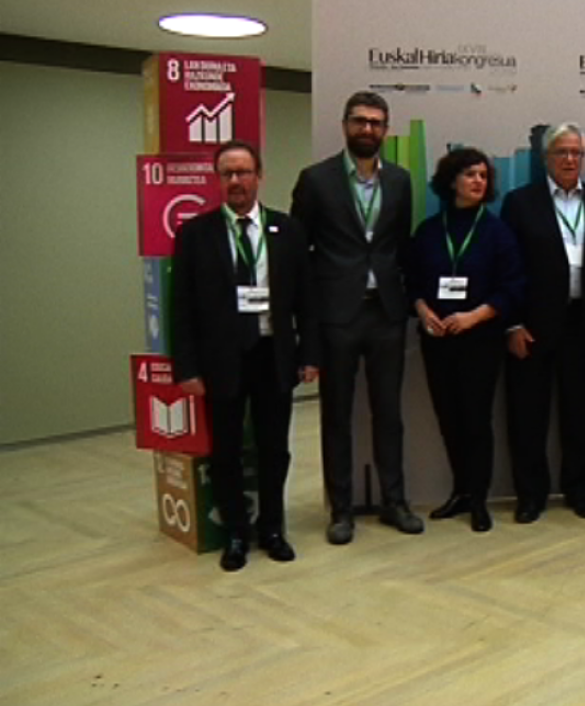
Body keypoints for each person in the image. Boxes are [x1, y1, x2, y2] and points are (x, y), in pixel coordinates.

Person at [172, 140, 319, 571]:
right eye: (227, 173)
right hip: (221, 361)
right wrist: (187, 367)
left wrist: (310, 354)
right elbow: (182, 306)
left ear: (259, 176)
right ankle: (236, 532)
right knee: (227, 450)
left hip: (275, 356)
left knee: (276, 449)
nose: (236, 181)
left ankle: (272, 528)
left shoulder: (287, 230)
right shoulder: (196, 234)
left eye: (243, 172)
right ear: (218, 180)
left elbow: (306, 302)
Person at [290, 91, 422, 544]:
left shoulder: (401, 182)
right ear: (345, 125)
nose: (368, 130)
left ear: (386, 130)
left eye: (376, 123)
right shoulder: (316, 180)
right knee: (338, 415)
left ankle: (394, 501)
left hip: (385, 312)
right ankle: (341, 510)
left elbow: (400, 246)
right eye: (360, 121)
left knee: (389, 413)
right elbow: (297, 253)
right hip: (337, 315)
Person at [402, 148, 524, 532]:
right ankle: (459, 491)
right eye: (470, 174)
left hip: (480, 341)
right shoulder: (428, 231)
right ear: (451, 180)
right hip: (438, 341)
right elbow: (412, 283)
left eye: (484, 177)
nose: (478, 182)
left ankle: (479, 499)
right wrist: (422, 310)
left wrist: (474, 316)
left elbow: (512, 288)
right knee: (449, 418)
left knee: (476, 419)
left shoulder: (497, 231)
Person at [501, 123, 585, 524]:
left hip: (584, 323)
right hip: (532, 325)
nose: (569, 160)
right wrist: (512, 324)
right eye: (561, 153)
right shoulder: (520, 203)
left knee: (581, 413)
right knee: (528, 414)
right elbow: (508, 268)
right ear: (545, 158)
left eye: (576, 153)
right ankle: (531, 495)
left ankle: (581, 491)